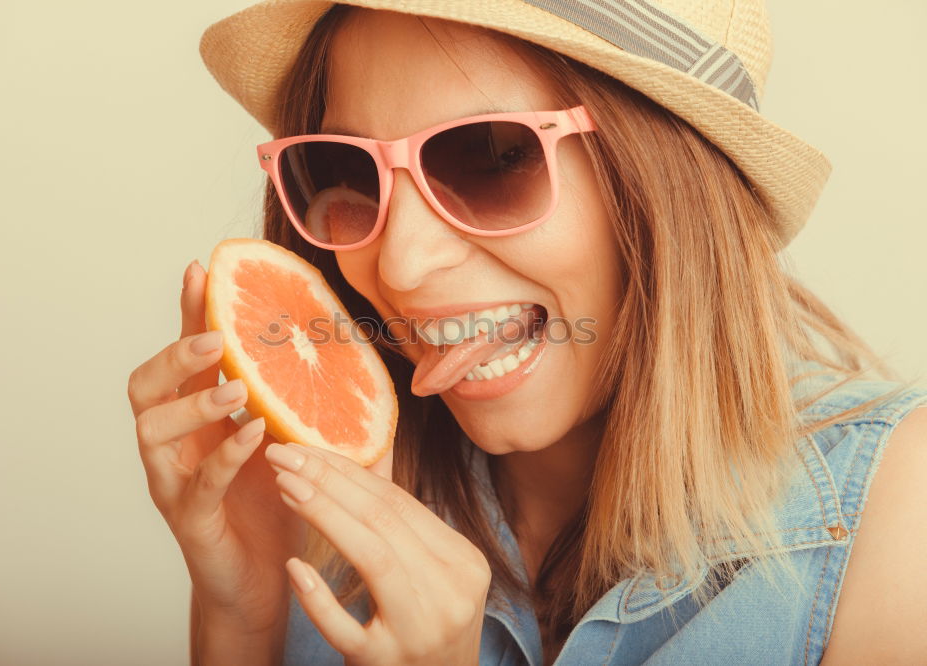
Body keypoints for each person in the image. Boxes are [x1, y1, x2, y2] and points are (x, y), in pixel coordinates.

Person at [127, 1, 927, 664]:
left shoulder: (897, 515)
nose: (397, 265)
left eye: (490, 157)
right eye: (345, 169)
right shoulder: (314, 498)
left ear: (666, 185)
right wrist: (245, 613)